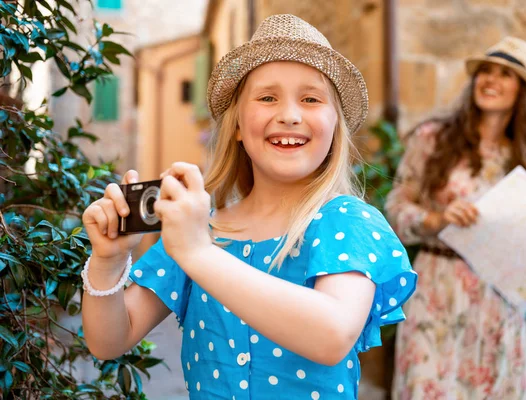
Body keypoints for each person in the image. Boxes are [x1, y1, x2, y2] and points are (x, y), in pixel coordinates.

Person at [81, 14, 417, 399]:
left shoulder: (348, 222)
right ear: (238, 125)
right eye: (267, 97)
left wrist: (197, 253)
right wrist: (107, 263)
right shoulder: (199, 231)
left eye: (310, 99)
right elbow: (109, 341)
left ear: (335, 126)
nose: (289, 114)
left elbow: (333, 334)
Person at [386, 36, 526, 399]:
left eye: (505, 74)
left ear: (523, 90)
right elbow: (395, 211)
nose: (490, 80)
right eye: (485, 70)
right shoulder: (432, 139)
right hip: (437, 295)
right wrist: (436, 219)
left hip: (499, 304)